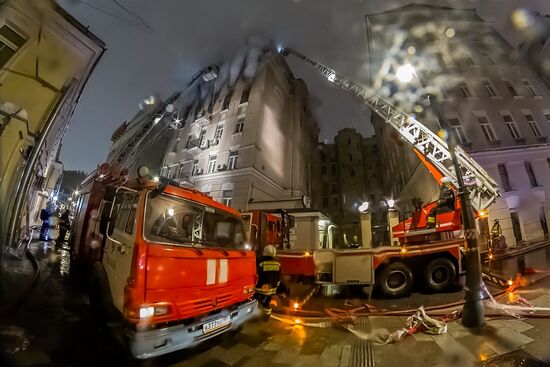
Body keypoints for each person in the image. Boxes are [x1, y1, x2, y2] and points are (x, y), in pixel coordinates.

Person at [255, 245, 281, 319]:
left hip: (260, 290)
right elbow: (278, 279)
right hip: (272, 290)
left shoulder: (261, 264)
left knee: (258, 303)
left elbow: (256, 276)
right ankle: (266, 317)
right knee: (267, 304)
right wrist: (276, 287)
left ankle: (257, 316)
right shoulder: (278, 264)